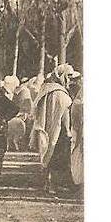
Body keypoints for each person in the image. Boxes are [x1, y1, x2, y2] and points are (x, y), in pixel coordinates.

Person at [30, 64, 78, 192]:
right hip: (59, 129)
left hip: (45, 128)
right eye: (68, 76)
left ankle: (47, 183)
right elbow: (65, 114)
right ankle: (53, 184)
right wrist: (68, 130)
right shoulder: (61, 94)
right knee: (58, 156)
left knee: (48, 154)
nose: (69, 80)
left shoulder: (46, 89)